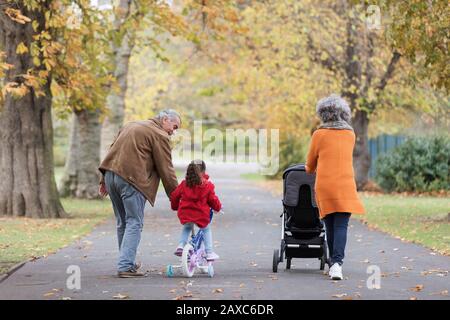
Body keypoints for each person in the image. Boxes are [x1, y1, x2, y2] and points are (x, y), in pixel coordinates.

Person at [98, 109, 180, 278]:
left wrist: (103, 180)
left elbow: (112, 150)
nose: (174, 131)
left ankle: (127, 262)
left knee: (123, 222)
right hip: (131, 180)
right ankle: (126, 266)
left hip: (111, 176)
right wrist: (177, 197)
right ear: (165, 119)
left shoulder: (130, 126)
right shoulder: (159, 135)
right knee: (134, 222)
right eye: (174, 126)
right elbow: (167, 169)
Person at [305, 94, 365, 280]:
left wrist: (311, 167)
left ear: (322, 114)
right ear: (343, 113)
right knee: (341, 226)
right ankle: (337, 264)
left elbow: (309, 166)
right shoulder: (350, 134)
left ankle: (334, 263)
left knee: (329, 225)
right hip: (346, 185)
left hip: (325, 186)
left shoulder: (318, 134)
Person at [170, 159, 222, 261]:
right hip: (200, 215)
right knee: (206, 229)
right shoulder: (207, 185)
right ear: (203, 172)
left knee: (187, 227)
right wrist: (218, 207)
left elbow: (174, 196)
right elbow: (213, 200)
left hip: (185, 213)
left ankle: (181, 245)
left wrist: (175, 207)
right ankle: (209, 252)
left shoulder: (184, 184)